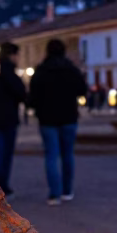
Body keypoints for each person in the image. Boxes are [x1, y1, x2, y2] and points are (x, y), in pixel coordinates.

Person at [28, 39, 88, 205]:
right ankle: (67, 191)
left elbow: (32, 96)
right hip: (69, 117)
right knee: (67, 154)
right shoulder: (72, 70)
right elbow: (82, 90)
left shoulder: (41, 71)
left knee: (51, 156)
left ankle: (54, 194)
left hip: (47, 119)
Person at [0, 43, 27, 198]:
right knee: (5, 154)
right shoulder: (10, 73)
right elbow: (21, 93)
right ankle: (3, 187)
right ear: (12, 55)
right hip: (9, 119)